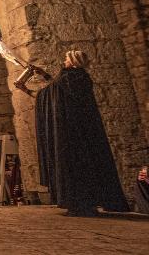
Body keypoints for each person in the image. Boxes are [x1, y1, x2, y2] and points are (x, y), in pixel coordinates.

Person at [34, 50, 129, 216]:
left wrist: (33, 92)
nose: (64, 60)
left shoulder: (70, 78)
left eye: (66, 58)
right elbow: (58, 88)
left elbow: (56, 91)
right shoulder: (78, 78)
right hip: (80, 131)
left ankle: (81, 203)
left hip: (73, 132)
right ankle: (87, 202)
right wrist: (45, 75)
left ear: (73, 61)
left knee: (76, 165)